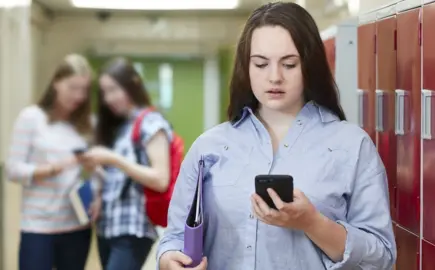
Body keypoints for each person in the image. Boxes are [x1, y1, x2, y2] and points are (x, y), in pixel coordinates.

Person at [156, 2, 396, 270]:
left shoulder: (351, 146)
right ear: (245, 68)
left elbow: (382, 257)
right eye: (260, 64)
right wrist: (169, 261)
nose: (274, 77)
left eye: (289, 64)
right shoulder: (210, 147)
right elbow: (175, 238)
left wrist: (312, 223)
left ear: (310, 65)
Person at [77, 57, 172, 270]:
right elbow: (117, 177)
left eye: (113, 89)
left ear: (132, 85)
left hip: (133, 228)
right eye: (104, 93)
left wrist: (113, 159)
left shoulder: (151, 122)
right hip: (107, 228)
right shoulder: (120, 127)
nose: (109, 98)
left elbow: (160, 179)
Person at [5, 54, 98, 270]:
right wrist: (51, 169)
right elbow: (12, 169)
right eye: (72, 87)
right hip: (38, 227)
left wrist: (93, 172)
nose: (78, 95)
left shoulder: (87, 125)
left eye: (84, 89)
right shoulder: (31, 118)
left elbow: (95, 174)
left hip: (77, 226)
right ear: (56, 82)